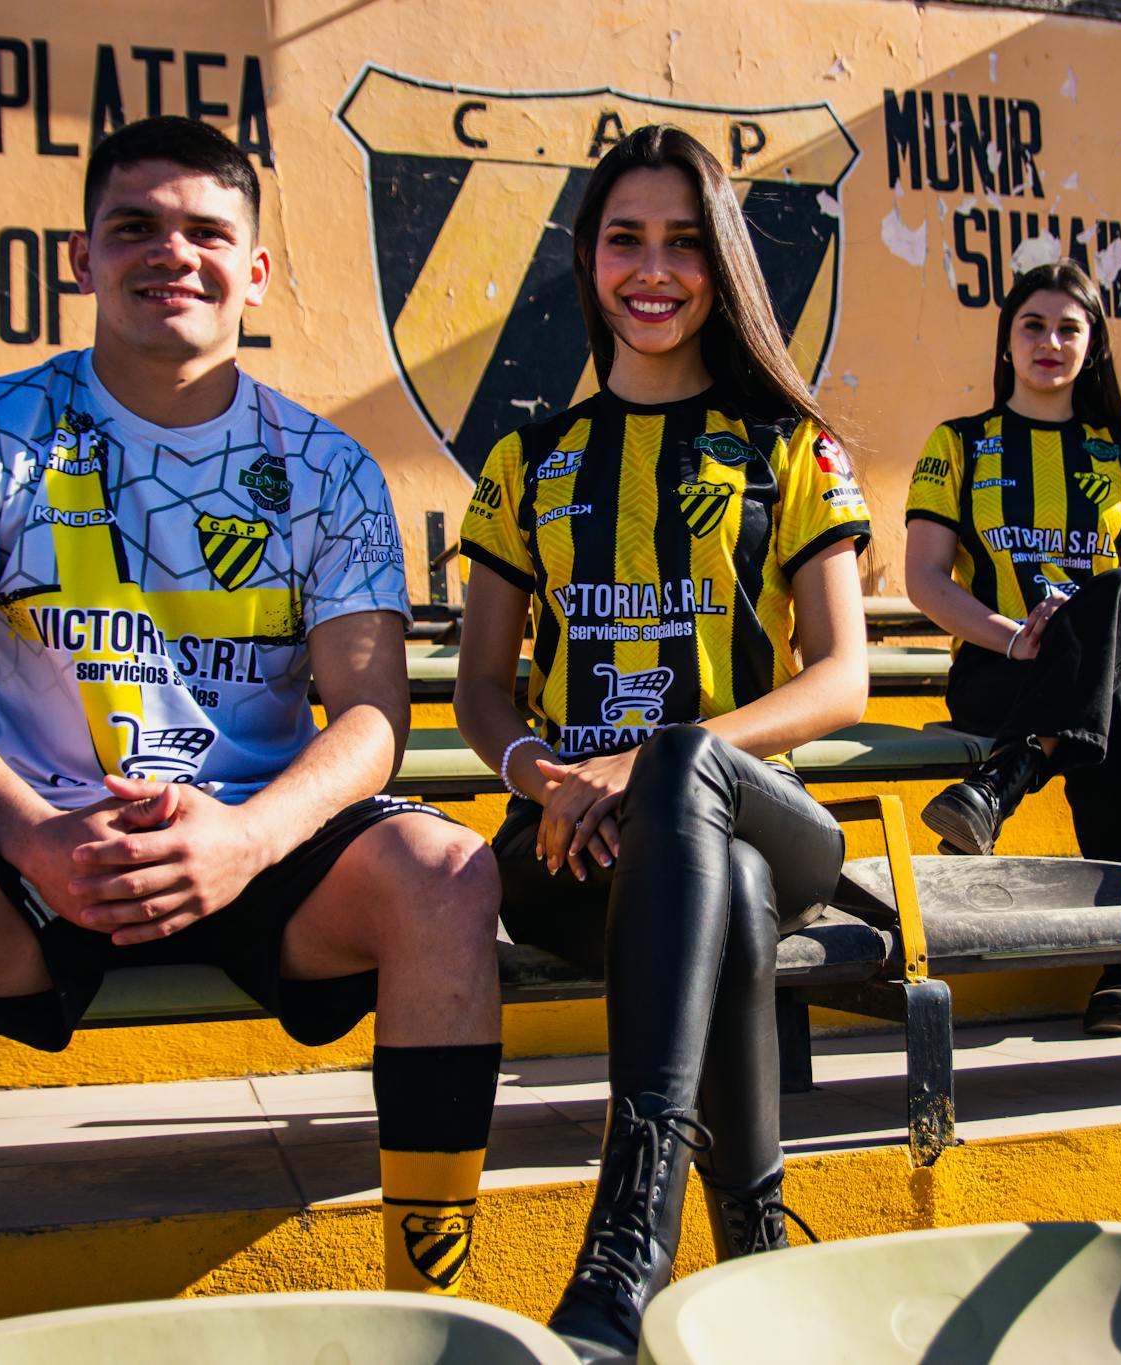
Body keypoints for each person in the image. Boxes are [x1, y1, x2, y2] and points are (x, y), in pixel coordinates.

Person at [0, 117, 504, 1354]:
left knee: (447, 876)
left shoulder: (329, 467)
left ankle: (436, 1321)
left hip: (254, 847)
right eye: (134, 226)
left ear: (255, 273)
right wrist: (30, 833)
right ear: (82, 255)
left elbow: (370, 716)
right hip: (31, 849)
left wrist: (242, 840)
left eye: (204, 232)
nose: (168, 253)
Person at [455, 124, 870, 1360]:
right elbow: (483, 690)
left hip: (763, 812)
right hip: (572, 854)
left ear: (722, 265)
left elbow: (840, 678)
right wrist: (542, 777)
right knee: (724, 893)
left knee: (693, 770)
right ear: (587, 261)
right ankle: (750, 1236)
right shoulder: (527, 461)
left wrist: (638, 764)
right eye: (625, 239)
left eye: (685, 243)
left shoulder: (793, 447)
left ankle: (624, 1242)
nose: (655, 268)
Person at [905, 260, 1121, 1037]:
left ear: (1091, 348)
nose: (1050, 341)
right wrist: (1014, 638)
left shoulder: (1120, 455)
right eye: (1033, 324)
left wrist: (1078, 623)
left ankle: (1008, 776)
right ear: (1007, 342)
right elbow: (925, 579)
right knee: (1113, 713)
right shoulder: (957, 444)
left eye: (1069, 327)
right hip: (1001, 672)